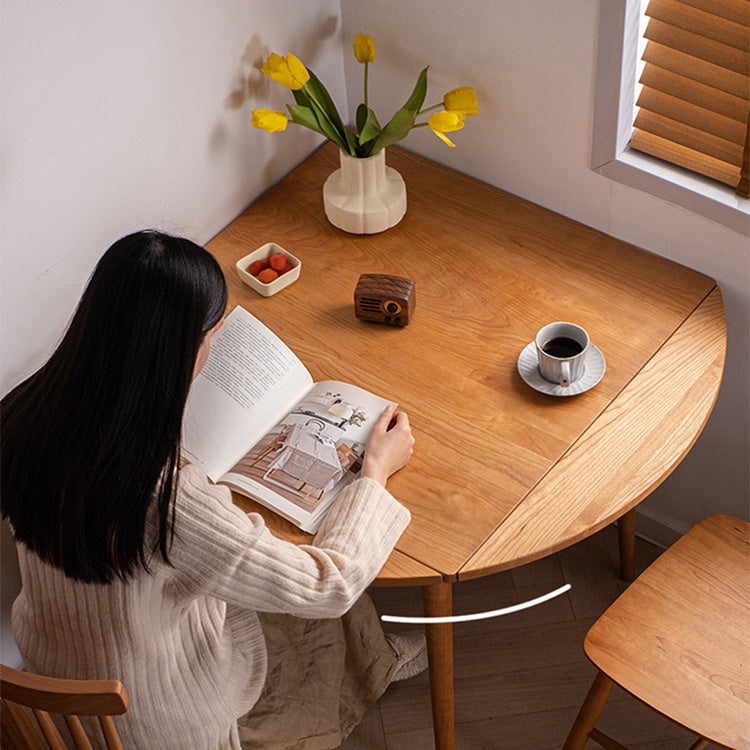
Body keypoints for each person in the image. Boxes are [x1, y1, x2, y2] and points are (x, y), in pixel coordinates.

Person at [1, 230, 418, 749]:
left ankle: (371, 655)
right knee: (320, 592)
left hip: (58, 670)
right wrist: (376, 470)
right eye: (210, 337)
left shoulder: (24, 408)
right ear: (179, 349)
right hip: (154, 719)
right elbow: (327, 585)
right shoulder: (166, 500)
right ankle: (373, 665)